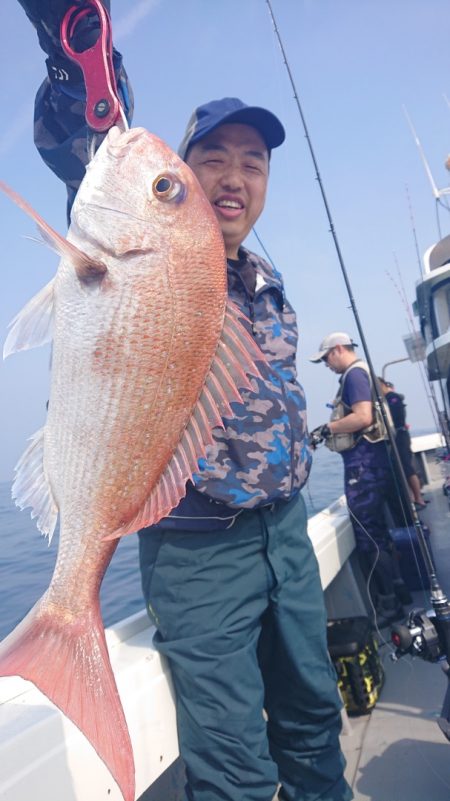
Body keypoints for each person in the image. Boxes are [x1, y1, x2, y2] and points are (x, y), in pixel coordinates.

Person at [18, 4, 353, 801]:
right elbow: (94, 138)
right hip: (200, 553)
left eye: (255, 163)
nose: (235, 177)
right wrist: (78, 60)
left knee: (313, 718)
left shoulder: (269, 289)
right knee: (234, 764)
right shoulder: (136, 233)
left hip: (286, 535)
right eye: (213, 159)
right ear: (189, 172)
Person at [309, 333, 406, 623]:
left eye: (326, 358)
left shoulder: (353, 376)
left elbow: (363, 417)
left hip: (364, 467)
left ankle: (389, 605)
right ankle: (398, 593)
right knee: (377, 531)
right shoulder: (363, 373)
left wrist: (327, 428)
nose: (326, 364)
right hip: (374, 465)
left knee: (368, 536)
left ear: (339, 349)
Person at [377, 377, 427, 510]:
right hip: (398, 436)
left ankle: (418, 499)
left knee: (406, 467)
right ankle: (412, 498)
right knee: (403, 467)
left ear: (381, 385)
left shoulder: (392, 398)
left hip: (400, 436)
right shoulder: (388, 399)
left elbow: (395, 417)